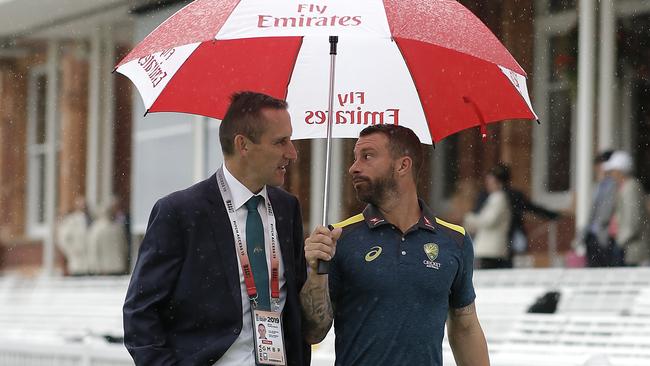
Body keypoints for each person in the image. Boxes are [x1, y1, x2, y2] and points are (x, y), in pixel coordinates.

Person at [123, 92, 310, 366]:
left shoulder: (287, 208)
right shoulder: (180, 212)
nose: (292, 153)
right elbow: (141, 313)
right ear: (243, 144)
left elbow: (295, 309)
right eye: (280, 141)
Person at [300, 125, 489, 366]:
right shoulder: (338, 238)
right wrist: (316, 275)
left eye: (367, 156)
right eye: (354, 158)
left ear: (402, 165)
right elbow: (313, 333)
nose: (353, 167)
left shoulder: (454, 240)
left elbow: (465, 326)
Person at [473, 163, 560, 262]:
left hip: (504, 237)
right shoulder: (511, 195)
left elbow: (477, 215)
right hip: (503, 237)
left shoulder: (490, 196)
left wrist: (552, 215)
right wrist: (552, 215)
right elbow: (532, 208)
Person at [602, 151, 650, 266]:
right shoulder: (624, 187)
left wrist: (619, 242)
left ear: (620, 171)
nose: (611, 175)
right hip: (626, 247)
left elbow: (632, 223)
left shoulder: (630, 188)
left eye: (613, 171)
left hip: (631, 249)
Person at [464, 165, 512, 269]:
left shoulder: (498, 198)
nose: (488, 185)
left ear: (499, 183)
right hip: (491, 248)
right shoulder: (495, 198)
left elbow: (488, 221)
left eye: (491, 182)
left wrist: (470, 218)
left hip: (491, 249)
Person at [583, 150, 617, 267]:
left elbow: (606, 212)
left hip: (603, 237)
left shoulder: (614, 185)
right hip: (592, 235)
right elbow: (593, 210)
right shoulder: (599, 185)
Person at [87, 196, 128, 275]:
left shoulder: (116, 227)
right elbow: (93, 249)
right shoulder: (99, 228)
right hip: (110, 268)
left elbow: (123, 246)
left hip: (112, 268)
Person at [56, 196, 93, 275]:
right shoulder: (71, 221)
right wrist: (72, 252)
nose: (84, 207)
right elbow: (62, 239)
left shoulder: (92, 219)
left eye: (85, 205)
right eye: (81, 205)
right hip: (77, 263)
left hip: (91, 264)